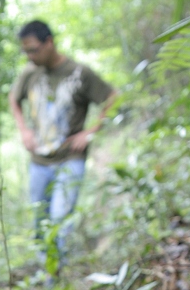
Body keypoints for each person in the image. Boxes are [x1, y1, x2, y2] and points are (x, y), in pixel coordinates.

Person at [9, 20, 117, 270]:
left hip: (70, 160)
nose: (29, 56)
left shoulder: (79, 73)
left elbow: (113, 98)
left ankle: (56, 279)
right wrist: (24, 130)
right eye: (25, 51)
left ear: (49, 42)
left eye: (33, 49)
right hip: (39, 162)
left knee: (60, 219)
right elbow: (13, 99)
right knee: (40, 221)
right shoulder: (29, 73)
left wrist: (90, 132)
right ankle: (45, 272)